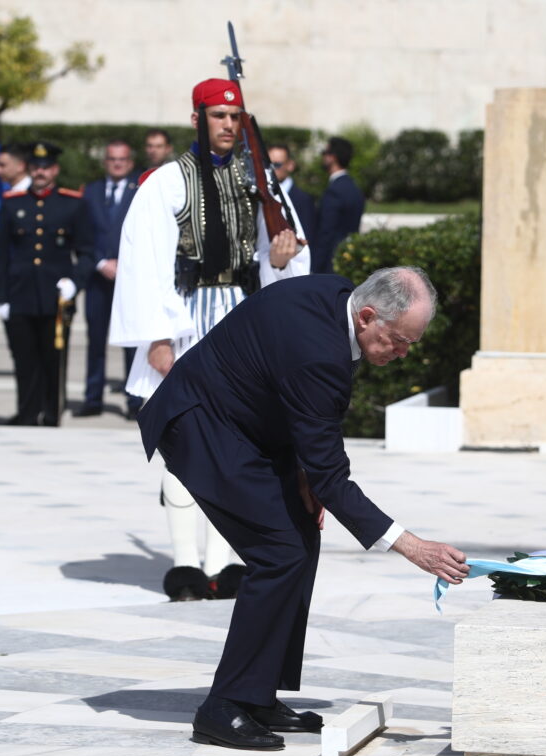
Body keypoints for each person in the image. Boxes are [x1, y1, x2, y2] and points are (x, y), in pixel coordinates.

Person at [138, 267, 469, 751]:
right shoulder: (318, 352)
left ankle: (257, 694)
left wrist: (302, 475)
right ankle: (224, 705)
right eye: (398, 341)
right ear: (367, 316)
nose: (402, 354)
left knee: (299, 538)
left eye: (410, 345)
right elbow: (332, 475)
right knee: (279, 550)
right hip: (201, 425)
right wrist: (412, 547)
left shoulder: (337, 299)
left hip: (244, 425)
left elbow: (300, 415)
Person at [110, 78, 310, 603]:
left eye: (235, 115)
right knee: (186, 443)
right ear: (197, 117)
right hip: (186, 318)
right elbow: (143, 264)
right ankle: (184, 566)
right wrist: (157, 337)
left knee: (237, 448)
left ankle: (222, 564)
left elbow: (282, 260)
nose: (227, 124)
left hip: (240, 322)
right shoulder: (166, 182)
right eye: (218, 115)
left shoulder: (258, 180)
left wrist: (280, 261)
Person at [0, 141, 94, 426]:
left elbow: (87, 252)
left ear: (55, 170)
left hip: (56, 296)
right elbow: (1, 255)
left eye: (46, 167)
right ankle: (26, 412)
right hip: (21, 293)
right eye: (36, 167)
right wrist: (1, 298)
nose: (41, 172)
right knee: (24, 358)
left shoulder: (72, 204)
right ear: (29, 169)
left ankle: (51, 413)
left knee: (53, 358)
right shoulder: (12, 203)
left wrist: (75, 283)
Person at [77, 141, 140, 419]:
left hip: (129, 280)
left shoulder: (140, 191)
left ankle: (134, 401)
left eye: (122, 159)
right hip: (97, 278)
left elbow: (144, 234)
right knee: (96, 341)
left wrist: (123, 264)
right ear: (105, 162)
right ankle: (92, 398)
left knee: (132, 342)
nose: (117, 163)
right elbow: (82, 235)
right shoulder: (89, 192)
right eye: (112, 159)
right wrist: (101, 261)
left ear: (130, 162)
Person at [311, 136, 365, 274]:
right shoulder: (354, 188)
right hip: (348, 260)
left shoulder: (334, 191)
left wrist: (314, 267)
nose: (323, 157)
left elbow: (326, 233)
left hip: (330, 264)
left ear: (332, 157)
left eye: (325, 153)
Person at [267, 143, 316, 248]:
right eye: (267, 164)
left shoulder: (303, 200)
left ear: (290, 165)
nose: (271, 169)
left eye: (277, 165)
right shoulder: (262, 195)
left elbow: (307, 240)